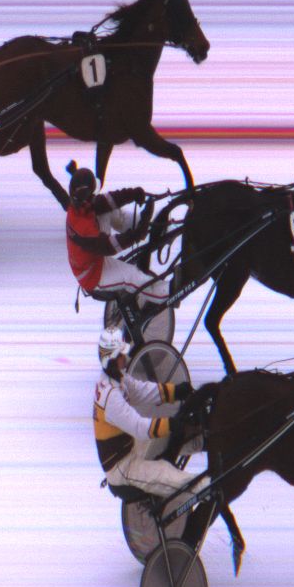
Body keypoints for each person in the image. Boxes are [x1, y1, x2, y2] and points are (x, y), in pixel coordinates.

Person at [69, 164, 195, 495]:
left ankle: (137, 224)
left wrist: (134, 194)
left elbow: (107, 201)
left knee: (112, 214)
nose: (126, 358)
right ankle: (166, 293)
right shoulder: (81, 225)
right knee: (134, 278)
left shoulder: (85, 205)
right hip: (93, 275)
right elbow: (110, 247)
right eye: (123, 355)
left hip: (94, 260)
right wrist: (135, 237)